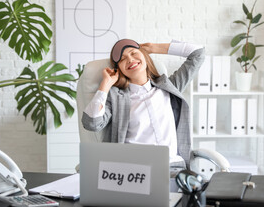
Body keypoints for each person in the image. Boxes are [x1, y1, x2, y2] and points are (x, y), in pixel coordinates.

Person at [82, 39, 205, 168]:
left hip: (174, 167)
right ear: (119, 69)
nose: (130, 59)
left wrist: (153, 47)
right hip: (136, 171)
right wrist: (105, 85)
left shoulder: (170, 87)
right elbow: (92, 123)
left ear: (144, 56)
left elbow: (198, 53)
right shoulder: (116, 98)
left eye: (133, 53)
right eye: (123, 59)